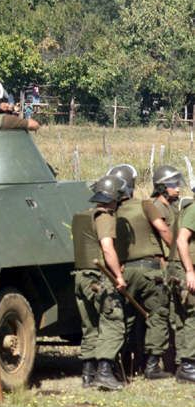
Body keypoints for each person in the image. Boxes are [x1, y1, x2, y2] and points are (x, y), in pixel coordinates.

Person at [107, 164, 172, 380]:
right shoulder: (145, 205)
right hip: (149, 270)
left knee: (125, 318)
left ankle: (122, 365)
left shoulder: (111, 211)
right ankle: (152, 366)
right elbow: (163, 230)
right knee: (157, 315)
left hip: (124, 271)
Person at [72, 174, 127, 390]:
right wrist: (118, 276)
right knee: (113, 322)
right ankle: (104, 372)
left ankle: (88, 374)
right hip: (99, 277)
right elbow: (107, 247)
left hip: (79, 276)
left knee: (90, 325)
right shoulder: (104, 217)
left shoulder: (81, 216)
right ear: (114, 198)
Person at [169, 191, 195, 383]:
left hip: (177, 268)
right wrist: (189, 271)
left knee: (183, 316)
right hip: (185, 269)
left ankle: (183, 364)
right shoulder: (194, 210)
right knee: (193, 316)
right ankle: (188, 364)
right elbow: (181, 240)